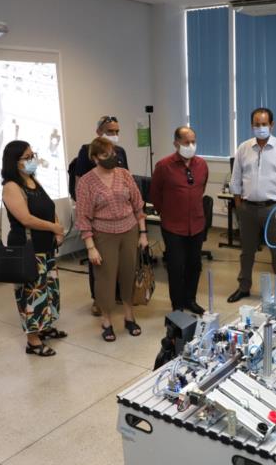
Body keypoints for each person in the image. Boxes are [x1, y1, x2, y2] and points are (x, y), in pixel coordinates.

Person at [76, 137, 148, 342]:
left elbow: (138, 205)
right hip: (103, 234)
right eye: (105, 155)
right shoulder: (86, 182)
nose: (111, 158)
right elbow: (83, 217)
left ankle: (129, 316)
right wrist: (90, 247)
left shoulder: (124, 174)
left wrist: (143, 233)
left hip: (129, 230)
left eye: (113, 154)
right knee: (105, 279)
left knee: (128, 274)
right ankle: (106, 320)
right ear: (95, 158)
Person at [1, 140, 66, 357]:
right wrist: (54, 227)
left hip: (45, 247)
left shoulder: (32, 180)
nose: (32, 160)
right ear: (14, 161)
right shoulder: (11, 187)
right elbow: (26, 219)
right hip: (28, 250)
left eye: (33, 155)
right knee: (32, 295)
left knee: (49, 292)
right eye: (27, 157)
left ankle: (45, 327)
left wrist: (57, 231)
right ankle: (33, 341)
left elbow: (49, 208)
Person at [227, 107, 276, 303]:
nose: (260, 127)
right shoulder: (244, 148)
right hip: (247, 208)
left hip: (273, 208)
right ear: (252, 125)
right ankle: (243, 287)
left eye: (264, 124)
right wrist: (239, 204)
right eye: (257, 124)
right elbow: (236, 178)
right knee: (246, 252)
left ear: (272, 125)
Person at [70, 115, 129, 316]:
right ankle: (98, 299)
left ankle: (117, 294)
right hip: (98, 218)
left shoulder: (121, 152)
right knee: (99, 262)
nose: (114, 135)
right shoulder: (87, 151)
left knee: (119, 261)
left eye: (117, 131)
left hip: (120, 216)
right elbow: (80, 184)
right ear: (99, 132)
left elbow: (126, 179)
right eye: (110, 131)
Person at [150, 126, 209, 314]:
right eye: (186, 142)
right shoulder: (164, 166)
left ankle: (190, 299)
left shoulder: (201, 165)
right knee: (176, 267)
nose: (191, 146)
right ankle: (177, 305)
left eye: (193, 142)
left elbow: (201, 189)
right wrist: (167, 212)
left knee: (194, 265)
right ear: (176, 143)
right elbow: (155, 194)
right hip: (173, 226)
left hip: (196, 225)